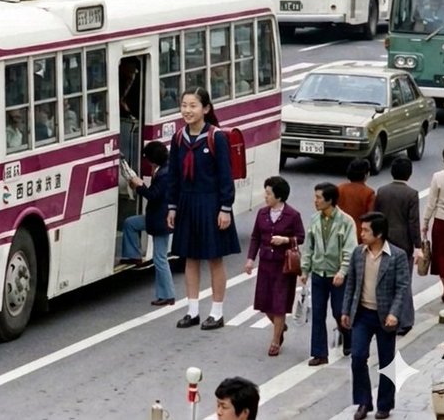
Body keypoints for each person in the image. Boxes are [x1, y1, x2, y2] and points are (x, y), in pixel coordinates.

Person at [168, 86, 240, 330]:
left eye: (193, 106)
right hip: (187, 202)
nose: (187, 111)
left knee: (214, 259)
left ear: (206, 109)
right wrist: (172, 207)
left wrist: (225, 208)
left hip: (211, 203)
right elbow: (174, 177)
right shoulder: (178, 138)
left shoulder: (216, 137)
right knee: (190, 258)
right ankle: (192, 311)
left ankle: (217, 312)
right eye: (184, 105)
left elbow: (225, 176)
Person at [342, 211, 411, 420]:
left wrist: (394, 313)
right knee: (358, 357)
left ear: (379, 234)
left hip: (384, 316)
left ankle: (385, 404)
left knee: (386, 361)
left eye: (365, 230)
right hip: (362, 314)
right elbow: (351, 284)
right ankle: (363, 402)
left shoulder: (397, 256)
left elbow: (402, 287)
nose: (361, 233)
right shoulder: (358, 253)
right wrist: (345, 310)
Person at [244, 176, 305, 356]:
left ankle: (275, 340)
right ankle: (280, 327)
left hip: (283, 266)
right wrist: (250, 259)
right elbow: (255, 237)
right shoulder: (262, 213)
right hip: (265, 263)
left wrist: (285, 240)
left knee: (279, 302)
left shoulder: (293, 215)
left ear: (279, 196)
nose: (266, 196)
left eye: (269, 193)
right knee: (264, 303)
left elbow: (300, 237)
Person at [300, 182, 357, 365]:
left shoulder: (346, 221)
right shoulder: (314, 219)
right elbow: (309, 246)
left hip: (338, 275)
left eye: (318, 197)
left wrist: (343, 271)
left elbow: (350, 249)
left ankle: (348, 336)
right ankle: (319, 353)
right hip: (318, 273)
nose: (315, 201)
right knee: (317, 313)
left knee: (339, 312)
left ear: (330, 200)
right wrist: (305, 269)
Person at [119, 141, 175, 306]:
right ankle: (133, 256)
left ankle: (167, 294)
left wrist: (139, 186)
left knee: (160, 258)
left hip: (160, 220)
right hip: (158, 218)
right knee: (130, 223)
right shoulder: (166, 168)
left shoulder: (164, 174)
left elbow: (153, 195)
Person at [373, 156, 421, 332]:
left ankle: (384, 316)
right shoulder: (411, 194)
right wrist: (418, 246)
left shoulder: (382, 191)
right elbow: (413, 222)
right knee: (404, 282)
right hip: (403, 242)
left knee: (384, 280)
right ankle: (405, 320)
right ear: (409, 174)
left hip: (384, 240)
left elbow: (376, 216)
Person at [422, 146, 444, 302]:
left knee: (442, 256)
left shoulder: (438, 177)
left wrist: (425, 222)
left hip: (442, 221)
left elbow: (431, 203)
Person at [338, 159, 376, 243]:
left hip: (340, 230)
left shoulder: (340, 188)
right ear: (366, 174)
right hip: (358, 234)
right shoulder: (369, 193)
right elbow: (371, 216)